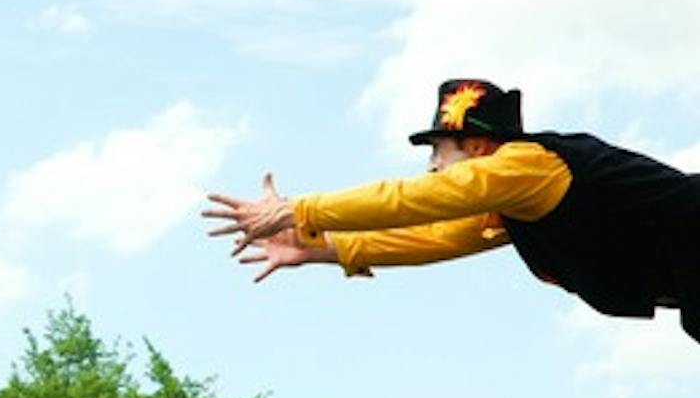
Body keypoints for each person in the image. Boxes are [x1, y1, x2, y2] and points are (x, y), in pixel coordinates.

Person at [204, 78, 700, 342]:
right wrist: (322, 249)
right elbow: (436, 236)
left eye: (440, 153)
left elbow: (414, 200)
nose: (433, 168)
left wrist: (298, 210)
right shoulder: (514, 204)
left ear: (479, 147)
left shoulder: (524, 167)